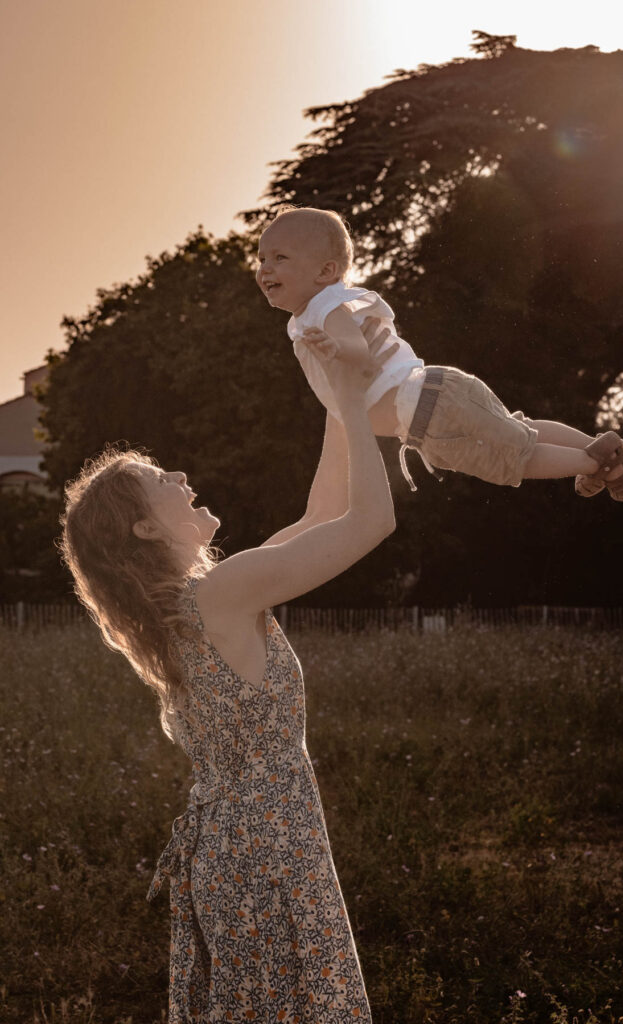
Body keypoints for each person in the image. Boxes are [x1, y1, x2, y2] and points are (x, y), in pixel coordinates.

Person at [59, 323, 396, 1023]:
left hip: (242, 855)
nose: (182, 477)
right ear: (146, 530)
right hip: (266, 857)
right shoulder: (222, 594)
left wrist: (336, 393)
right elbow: (369, 521)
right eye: (162, 480)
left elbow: (322, 514)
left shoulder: (198, 602)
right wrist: (360, 397)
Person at [256, 206, 623, 500]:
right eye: (262, 259)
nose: (264, 269)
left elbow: (359, 354)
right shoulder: (326, 306)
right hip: (435, 395)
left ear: (325, 271)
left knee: (514, 458)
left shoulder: (324, 308)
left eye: (279, 258)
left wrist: (335, 349)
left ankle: (596, 462)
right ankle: (596, 445)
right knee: (523, 431)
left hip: (428, 412)